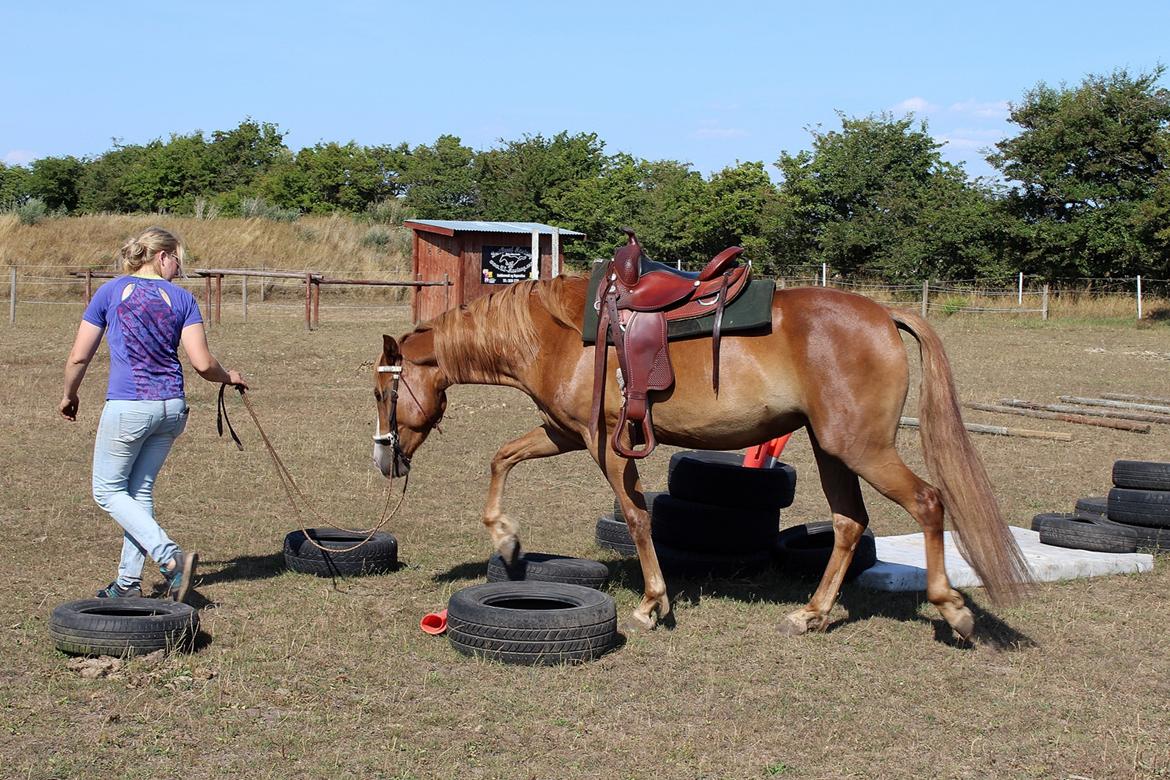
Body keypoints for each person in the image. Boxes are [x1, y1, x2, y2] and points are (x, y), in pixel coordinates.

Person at [59, 227, 247, 602]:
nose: (179, 267)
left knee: (107, 491)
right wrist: (231, 377)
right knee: (137, 490)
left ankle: (170, 557)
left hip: (129, 407)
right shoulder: (183, 299)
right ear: (162, 256)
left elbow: (80, 356)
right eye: (178, 259)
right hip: (172, 408)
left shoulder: (110, 292)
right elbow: (202, 363)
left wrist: (69, 395)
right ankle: (127, 583)